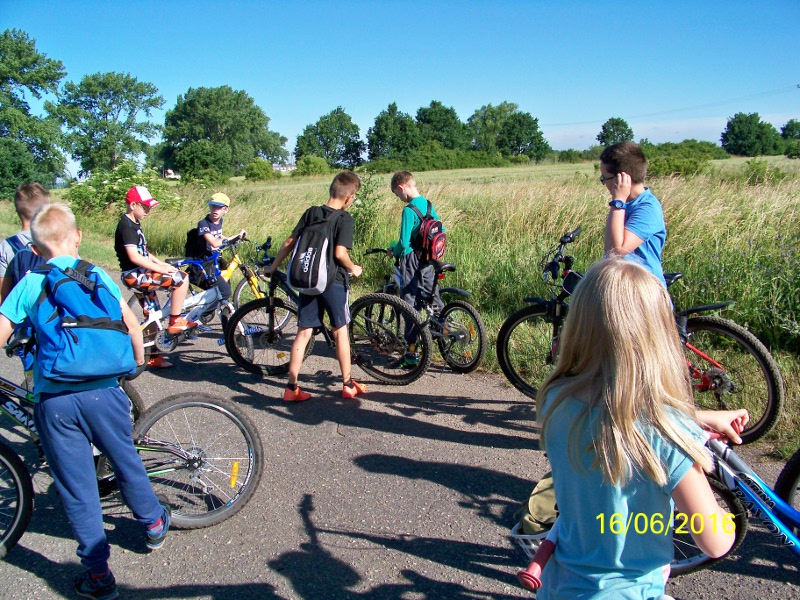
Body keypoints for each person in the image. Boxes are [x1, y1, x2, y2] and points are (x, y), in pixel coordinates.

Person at [535, 258, 746, 600]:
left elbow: (616, 414)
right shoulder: (667, 435)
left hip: (559, 588)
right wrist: (727, 520)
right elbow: (715, 541)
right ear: (657, 335)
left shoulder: (555, 400)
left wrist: (695, 420)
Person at [0, 203, 171, 600]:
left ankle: (99, 577)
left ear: (37, 247)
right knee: (126, 459)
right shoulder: (97, 275)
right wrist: (136, 363)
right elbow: (130, 325)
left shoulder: (31, 281)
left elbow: (3, 328)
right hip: (107, 392)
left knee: (78, 489)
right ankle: (153, 525)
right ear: (77, 237)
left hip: (55, 400)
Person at [264, 171, 366, 402]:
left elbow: (290, 242)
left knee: (304, 332)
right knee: (340, 331)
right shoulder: (344, 218)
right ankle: (347, 385)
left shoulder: (312, 212)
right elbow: (340, 254)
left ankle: (291, 388)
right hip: (333, 282)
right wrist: (354, 267)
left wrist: (273, 266)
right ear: (349, 197)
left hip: (307, 280)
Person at [114, 185, 196, 369]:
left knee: (153, 316)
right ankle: (176, 320)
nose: (148, 211)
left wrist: (161, 265)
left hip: (138, 273)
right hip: (134, 275)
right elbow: (134, 257)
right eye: (145, 207)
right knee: (181, 279)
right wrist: (162, 270)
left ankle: (152, 356)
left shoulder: (134, 223)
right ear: (133, 204)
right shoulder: (126, 226)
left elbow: (144, 252)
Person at [388, 170, 444, 367]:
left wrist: (393, 251)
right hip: (428, 259)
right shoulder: (428, 204)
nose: (399, 198)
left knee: (409, 305)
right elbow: (440, 229)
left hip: (411, 260)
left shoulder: (409, 210)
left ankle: (411, 354)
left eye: (397, 194)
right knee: (431, 296)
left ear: (402, 187)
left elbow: (403, 243)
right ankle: (444, 334)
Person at [600, 141, 667, 287]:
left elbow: (615, 252)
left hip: (646, 295)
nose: (604, 183)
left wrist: (617, 201)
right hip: (625, 289)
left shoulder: (647, 208)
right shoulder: (625, 205)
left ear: (621, 179)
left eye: (604, 178)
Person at [0, 182, 51, 300]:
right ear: (45, 212)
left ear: (18, 212)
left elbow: (4, 293)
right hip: (53, 315)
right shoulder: (58, 239)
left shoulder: (7, 246)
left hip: (21, 314)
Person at [196, 192, 246, 303]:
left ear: (226, 210)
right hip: (205, 261)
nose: (215, 210)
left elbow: (219, 236)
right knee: (224, 292)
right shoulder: (203, 223)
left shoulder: (219, 221)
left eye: (219, 207)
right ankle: (202, 312)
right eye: (213, 206)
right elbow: (214, 242)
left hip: (216, 258)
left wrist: (234, 238)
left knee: (225, 285)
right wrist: (234, 236)